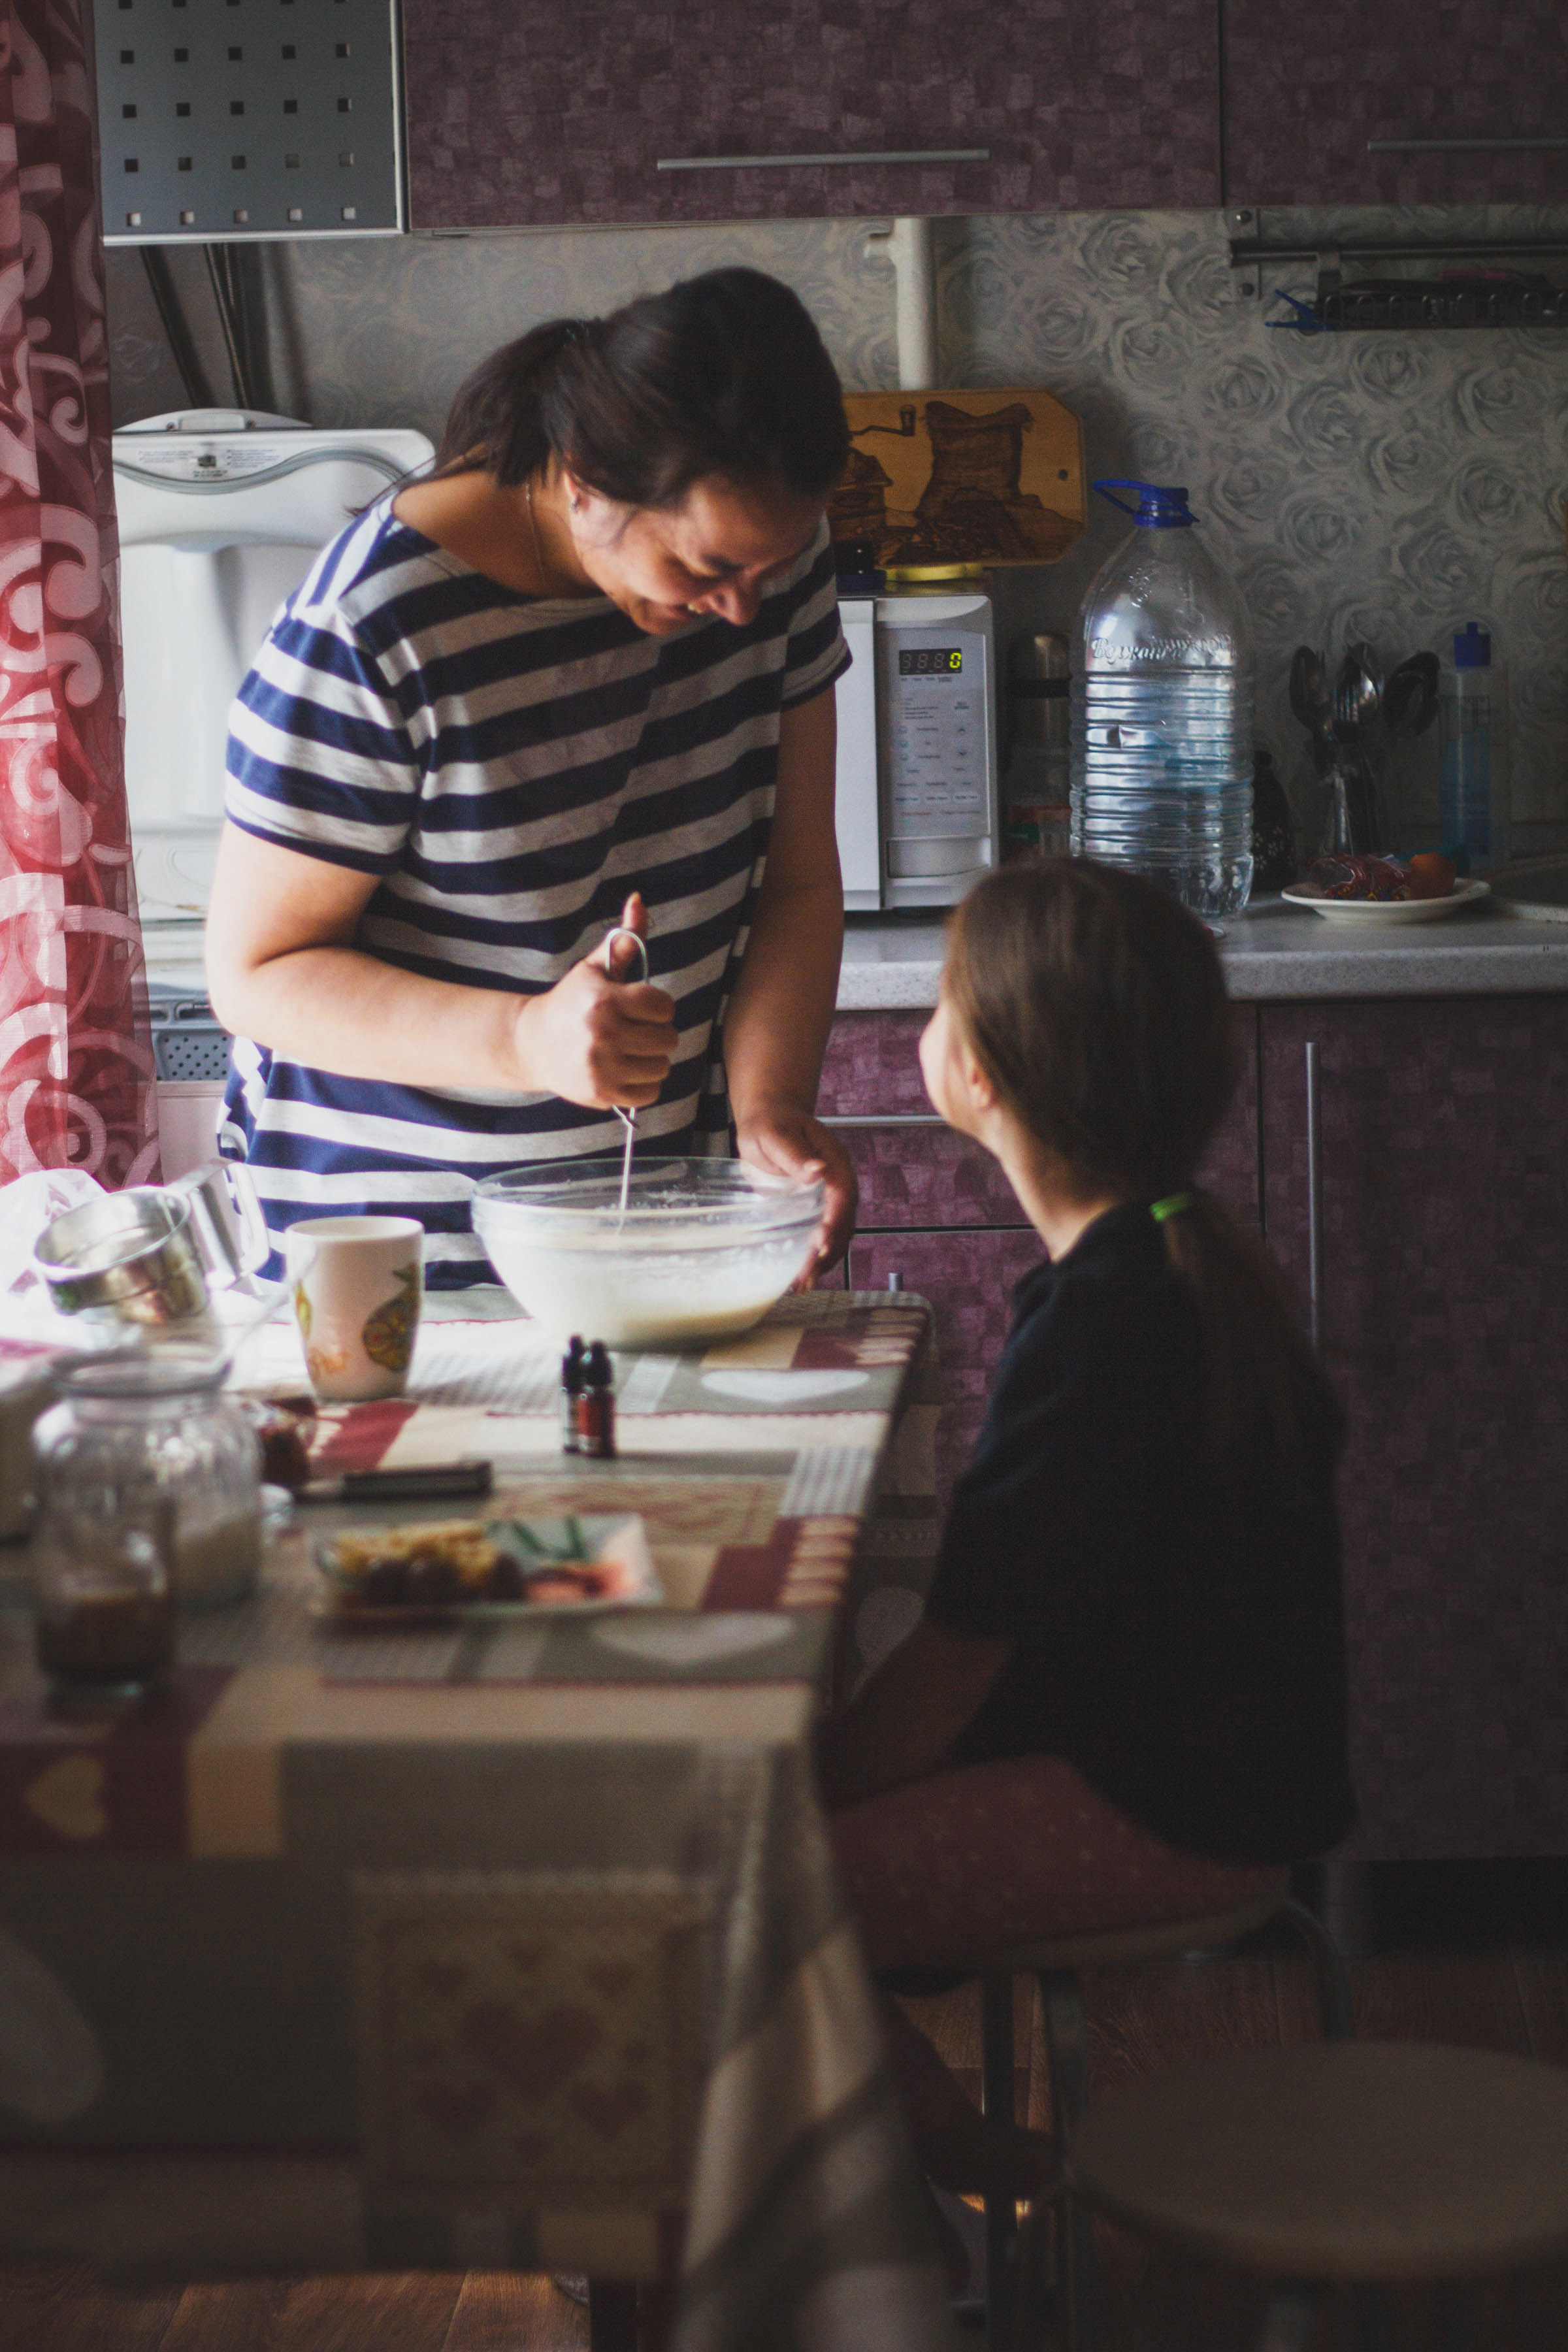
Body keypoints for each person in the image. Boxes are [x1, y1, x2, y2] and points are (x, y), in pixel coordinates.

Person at [817, 860, 1356, 2208]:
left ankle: (964, 2174)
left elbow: (950, 1669)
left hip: (1171, 1815)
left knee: (741, 1895)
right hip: (1222, 1787)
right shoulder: (1170, 1263)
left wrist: (786, 1794)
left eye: (945, 999)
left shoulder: (1101, 1335)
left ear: (984, 1077)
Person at [204, 267, 857, 1284]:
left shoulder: (769, 559)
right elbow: (257, 977)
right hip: (399, 1256)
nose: (742, 611)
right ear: (584, 479)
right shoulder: (374, 627)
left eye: (763, 573)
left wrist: (769, 1111)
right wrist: (524, 1041)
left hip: (658, 1227)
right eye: (701, 572)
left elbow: (799, 884)